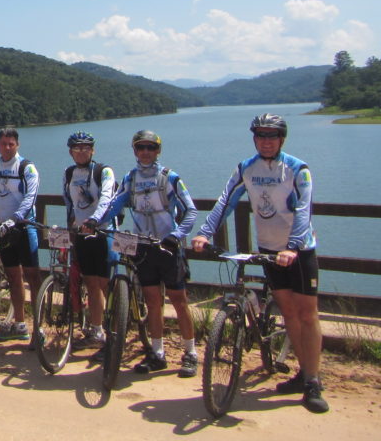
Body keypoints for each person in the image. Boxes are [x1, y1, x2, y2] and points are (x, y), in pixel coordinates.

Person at [192, 114, 329, 413]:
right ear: (254, 138)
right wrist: (204, 232)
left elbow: (304, 209)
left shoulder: (298, 169)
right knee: (288, 313)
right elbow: (225, 201)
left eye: (272, 135)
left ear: (282, 139)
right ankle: (303, 372)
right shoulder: (246, 168)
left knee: (307, 314)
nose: (266, 141)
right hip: (269, 250)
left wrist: (293, 246)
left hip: (299, 251)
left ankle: (313, 381)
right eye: (261, 135)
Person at [102, 130, 198, 378]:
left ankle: (190, 352)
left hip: (168, 246)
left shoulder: (169, 178)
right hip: (143, 247)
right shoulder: (130, 178)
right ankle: (157, 353)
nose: (145, 152)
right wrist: (94, 221)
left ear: (158, 151)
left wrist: (177, 235)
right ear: (135, 150)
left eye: (151, 148)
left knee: (179, 300)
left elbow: (191, 211)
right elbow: (115, 204)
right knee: (153, 301)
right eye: (141, 147)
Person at [62, 131, 116, 357]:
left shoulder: (104, 171)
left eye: (85, 147)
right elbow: (69, 204)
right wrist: (70, 230)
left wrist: (94, 220)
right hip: (82, 235)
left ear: (92, 150)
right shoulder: (69, 173)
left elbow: (106, 198)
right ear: (71, 152)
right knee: (91, 283)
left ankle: (114, 332)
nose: (81, 151)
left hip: (103, 232)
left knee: (105, 284)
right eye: (77, 148)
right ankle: (97, 331)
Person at [0, 127, 41, 342]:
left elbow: (31, 197)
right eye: (3, 144)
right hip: (3, 230)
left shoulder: (27, 167)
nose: (7, 147)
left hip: (24, 229)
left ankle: (38, 328)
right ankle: (20, 324)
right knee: (12, 277)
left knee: (33, 278)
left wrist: (15, 219)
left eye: (11, 144)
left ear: (17, 145)